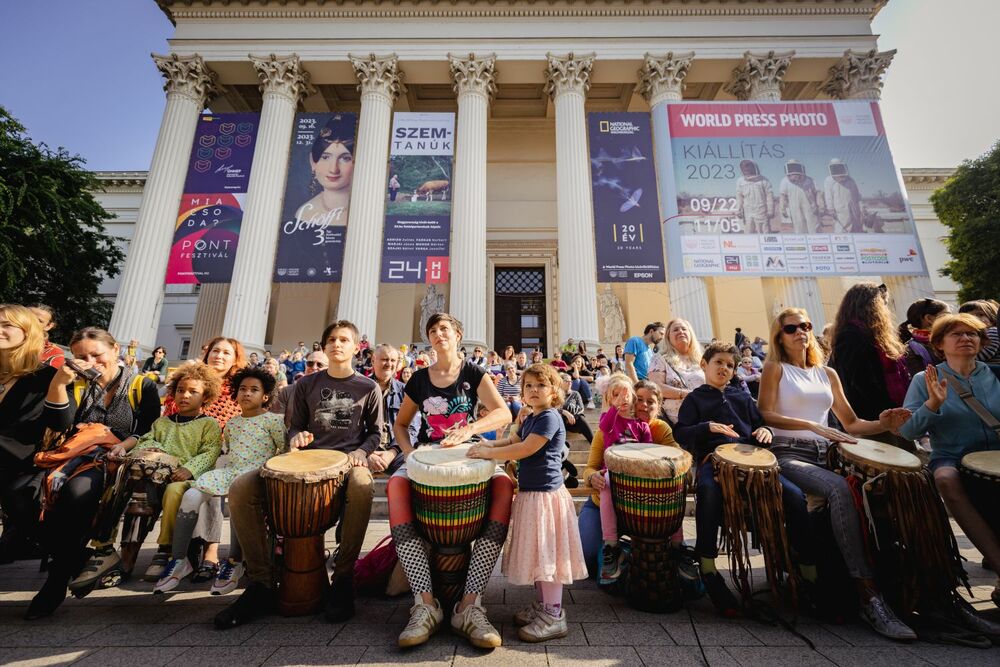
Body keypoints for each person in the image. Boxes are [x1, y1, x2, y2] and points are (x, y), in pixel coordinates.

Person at [758, 307, 916, 640]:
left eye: (806, 325)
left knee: (878, 490)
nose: (800, 332)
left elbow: (852, 423)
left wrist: (883, 424)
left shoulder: (827, 374)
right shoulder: (775, 368)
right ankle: (867, 593)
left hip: (827, 453)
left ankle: (905, 584)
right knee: (839, 489)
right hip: (788, 454)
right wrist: (812, 425)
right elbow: (766, 414)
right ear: (779, 336)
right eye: (791, 329)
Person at [215, 320, 382, 629]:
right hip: (304, 464)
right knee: (241, 488)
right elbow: (295, 425)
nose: (337, 344)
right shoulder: (306, 385)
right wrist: (296, 437)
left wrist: (361, 453)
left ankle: (344, 579)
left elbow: (375, 434)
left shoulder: (368, 387)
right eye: (331, 339)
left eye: (344, 339)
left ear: (356, 347)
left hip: (346, 465)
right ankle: (261, 584)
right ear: (324, 345)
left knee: (362, 485)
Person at [387, 313, 513, 649]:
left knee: (504, 485)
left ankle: (469, 606)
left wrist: (470, 429)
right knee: (396, 485)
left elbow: (504, 412)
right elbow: (401, 424)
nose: (438, 334)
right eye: (432, 330)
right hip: (427, 455)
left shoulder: (473, 372)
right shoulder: (418, 379)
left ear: (458, 334)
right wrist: (410, 453)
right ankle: (425, 604)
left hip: (469, 453)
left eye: (444, 329)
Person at [674, 342, 812, 617]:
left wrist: (766, 433)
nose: (724, 368)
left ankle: (808, 572)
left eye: (729, 365)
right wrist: (706, 427)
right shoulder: (694, 399)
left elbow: (760, 424)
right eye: (719, 363)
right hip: (713, 463)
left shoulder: (742, 397)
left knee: (795, 496)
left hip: (753, 464)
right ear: (704, 364)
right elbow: (681, 433)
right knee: (708, 492)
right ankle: (709, 567)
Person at [467, 363, 588, 641]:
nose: (534, 390)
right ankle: (544, 606)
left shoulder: (549, 418)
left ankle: (554, 614)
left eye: (541, 385)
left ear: (554, 391)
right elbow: (513, 438)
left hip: (546, 497)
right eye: (529, 386)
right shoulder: (532, 416)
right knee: (539, 555)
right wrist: (485, 445)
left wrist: (489, 455)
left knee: (548, 558)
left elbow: (525, 449)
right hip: (532, 494)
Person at [40, 328, 160, 607]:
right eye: (81, 356)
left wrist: (123, 446)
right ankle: (75, 561)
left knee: (78, 492)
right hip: (73, 454)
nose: (90, 362)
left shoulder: (141, 385)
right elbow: (61, 424)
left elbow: (149, 428)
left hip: (115, 456)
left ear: (116, 350)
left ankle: (57, 579)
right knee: (36, 493)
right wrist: (60, 384)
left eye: (97, 354)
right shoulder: (75, 383)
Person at [898, 313, 1000, 608]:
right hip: (952, 456)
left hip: (995, 454)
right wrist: (933, 404)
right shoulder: (924, 379)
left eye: (972, 334)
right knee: (945, 479)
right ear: (940, 344)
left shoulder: (996, 374)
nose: (966, 339)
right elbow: (908, 430)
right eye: (957, 334)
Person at [153, 366, 284, 595]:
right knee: (192, 495)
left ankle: (235, 561)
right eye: (243, 389)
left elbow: (283, 451)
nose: (247, 393)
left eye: (254, 390)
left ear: (265, 396)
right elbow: (231, 452)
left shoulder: (273, 421)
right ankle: (179, 559)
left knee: (238, 494)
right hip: (232, 471)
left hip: (257, 475)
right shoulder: (232, 423)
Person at [0, 306, 76, 608]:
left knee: (21, 498)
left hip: (25, 462)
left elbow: (60, 423)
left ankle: (60, 571)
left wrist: (58, 385)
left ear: (27, 332)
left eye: (7, 325)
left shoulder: (44, 374)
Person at [156, 336, 247, 583]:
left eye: (227, 353)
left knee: (210, 479)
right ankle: (177, 551)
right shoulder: (186, 382)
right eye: (215, 351)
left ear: (235, 359)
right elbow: (169, 420)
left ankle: (211, 552)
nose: (219, 356)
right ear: (207, 354)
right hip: (182, 451)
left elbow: (236, 428)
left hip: (221, 453)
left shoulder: (238, 390)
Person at [578, 379, 678, 576]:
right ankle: (612, 544)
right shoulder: (607, 425)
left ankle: (676, 546)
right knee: (588, 560)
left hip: (640, 500)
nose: (643, 405)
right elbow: (589, 467)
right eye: (640, 399)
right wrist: (592, 476)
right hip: (604, 497)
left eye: (650, 401)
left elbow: (668, 454)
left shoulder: (653, 427)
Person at [828, 283, 912, 449]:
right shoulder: (851, 335)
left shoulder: (867, 333)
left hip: (885, 417)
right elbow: (861, 382)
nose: (886, 309)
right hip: (873, 420)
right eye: (883, 303)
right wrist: (887, 414)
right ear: (873, 305)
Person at [591, 374, 653, 583]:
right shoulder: (609, 420)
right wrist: (614, 406)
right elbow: (603, 427)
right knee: (607, 484)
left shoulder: (641, 426)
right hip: (613, 471)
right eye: (615, 395)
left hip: (635, 472)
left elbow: (649, 450)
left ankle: (676, 543)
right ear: (608, 400)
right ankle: (610, 543)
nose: (621, 398)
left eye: (626, 394)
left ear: (634, 398)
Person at [367, 344, 418, 476]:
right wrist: (366, 452)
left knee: (418, 471)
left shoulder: (406, 391)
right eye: (384, 359)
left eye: (393, 360)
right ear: (373, 360)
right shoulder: (360, 389)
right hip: (365, 452)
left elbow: (412, 428)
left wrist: (392, 452)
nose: (388, 364)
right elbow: (352, 428)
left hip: (396, 453)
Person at [296, 121, 354, 227]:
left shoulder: (368, 210)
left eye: (345, 158)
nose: (333, 169)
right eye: (325, 157)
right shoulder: (305, 213)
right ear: (313, 162)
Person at [649, 318, 705, 424]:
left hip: (704, 415)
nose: (680, 331)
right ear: (668, 337)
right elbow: (656, 387)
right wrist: (687, 394)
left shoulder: (702, 360)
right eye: (675, 330)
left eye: (684, 329)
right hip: (676, 421)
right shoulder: (660, 359)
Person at [270, 350, 327, 424]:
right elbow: (274, 423)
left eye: (320, 365)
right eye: (310, 363)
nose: (314, 367)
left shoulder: (335, 394)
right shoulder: (286, 392)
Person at [898, 298, 950, 377]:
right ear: (929, 318)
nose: (951, 319)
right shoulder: (910, 351)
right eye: (947, 315)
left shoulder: (952, 340)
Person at [779, 159, 820, 234]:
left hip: (810, 207)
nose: (794, 170)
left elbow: (818, 193)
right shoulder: (784, 181)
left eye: (795, 168)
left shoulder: (809, 180)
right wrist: (782, 209)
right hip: (794, 208)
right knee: (799, 227)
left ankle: (816, 243)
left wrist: (820, 206)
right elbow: (782, 196)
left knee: (813, 226)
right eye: (792, 168)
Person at [823, 159, 863, 233]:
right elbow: (828, 196)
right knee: (841, 229)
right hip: (840, 210)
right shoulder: (829, 180)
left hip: (854, 208)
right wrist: (830, 208)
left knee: (856, 227)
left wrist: (861, 206)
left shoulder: (850, 180)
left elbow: (857, 194)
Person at [735, 159, 775, 233]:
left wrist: (770, 210)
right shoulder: (740, 181)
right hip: (747, 212)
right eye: (744, 168)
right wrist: (738, 210)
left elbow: (769, 197)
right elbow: (739, 197)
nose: (746, 170)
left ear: (754, 168)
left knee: (764, 233)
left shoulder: (764, 180)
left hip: (761, 211)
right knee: (748, 233)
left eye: (748, 167)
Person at [558, 372, 593, 443]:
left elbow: (581, 408)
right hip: (560, 423)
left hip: (573, 422)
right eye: (567, 381)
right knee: (559, 417)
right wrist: (565, 413)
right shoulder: (556, 395)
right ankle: (561, 445)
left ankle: (593, 442)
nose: (570, 383)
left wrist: (572, 416)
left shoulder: (575, 394)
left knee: (580, 418)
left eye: (571, 381)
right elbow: (552, 409)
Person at [28, 305, 64, 369]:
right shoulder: (5, 340)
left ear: (49, 326)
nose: (30, 322)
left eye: (39, 321)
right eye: (27, 317)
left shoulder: (53, 353)